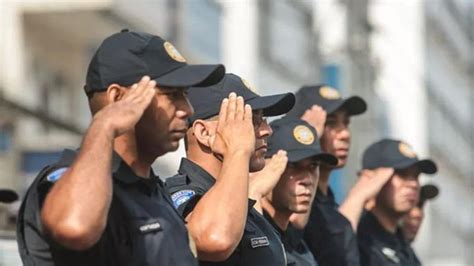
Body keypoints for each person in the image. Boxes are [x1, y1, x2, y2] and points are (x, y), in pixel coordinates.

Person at [16, 30, 225, 266]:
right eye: (172, 95)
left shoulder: (154, 192)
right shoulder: (67, 182)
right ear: (117, 97)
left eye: (185, 96)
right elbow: (75, 227)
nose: (187, 110)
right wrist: (104, 124)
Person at [166, 73, 295, 265]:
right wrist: (238, 151)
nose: (267, 130)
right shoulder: (179, 195)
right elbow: (215, 239)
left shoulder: (242, 205)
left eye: (264, 119)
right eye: (250, 120)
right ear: (204, 132)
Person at [287, 85, 390, 266]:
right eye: (331, 123)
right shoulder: (289, 195)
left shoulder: (328, 202)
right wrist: (303, 142)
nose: (345, 134)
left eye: (346, 123)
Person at [261, 117, 338, 266]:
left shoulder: (297, 244)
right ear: (265, 167)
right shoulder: (250, 238)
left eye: (313, 166)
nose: (307, 179)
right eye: (292, 165)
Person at [357, 139, 437, 266]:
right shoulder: (356, 238)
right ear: (373, 179)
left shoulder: (404, 248)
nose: (413, 184)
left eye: (416, 176)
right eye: (402, 174)